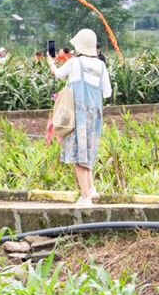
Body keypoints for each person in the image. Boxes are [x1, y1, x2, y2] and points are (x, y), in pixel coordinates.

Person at [47, 28, 112, 206]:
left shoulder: (74, 63)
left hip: (77, 115)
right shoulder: (101, 65)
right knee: (88, 152)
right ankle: (91, 188)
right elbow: (107, 93)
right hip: (95, 115)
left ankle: (85, 197)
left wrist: (51, 62)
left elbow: (58, 74)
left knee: (78, 156)